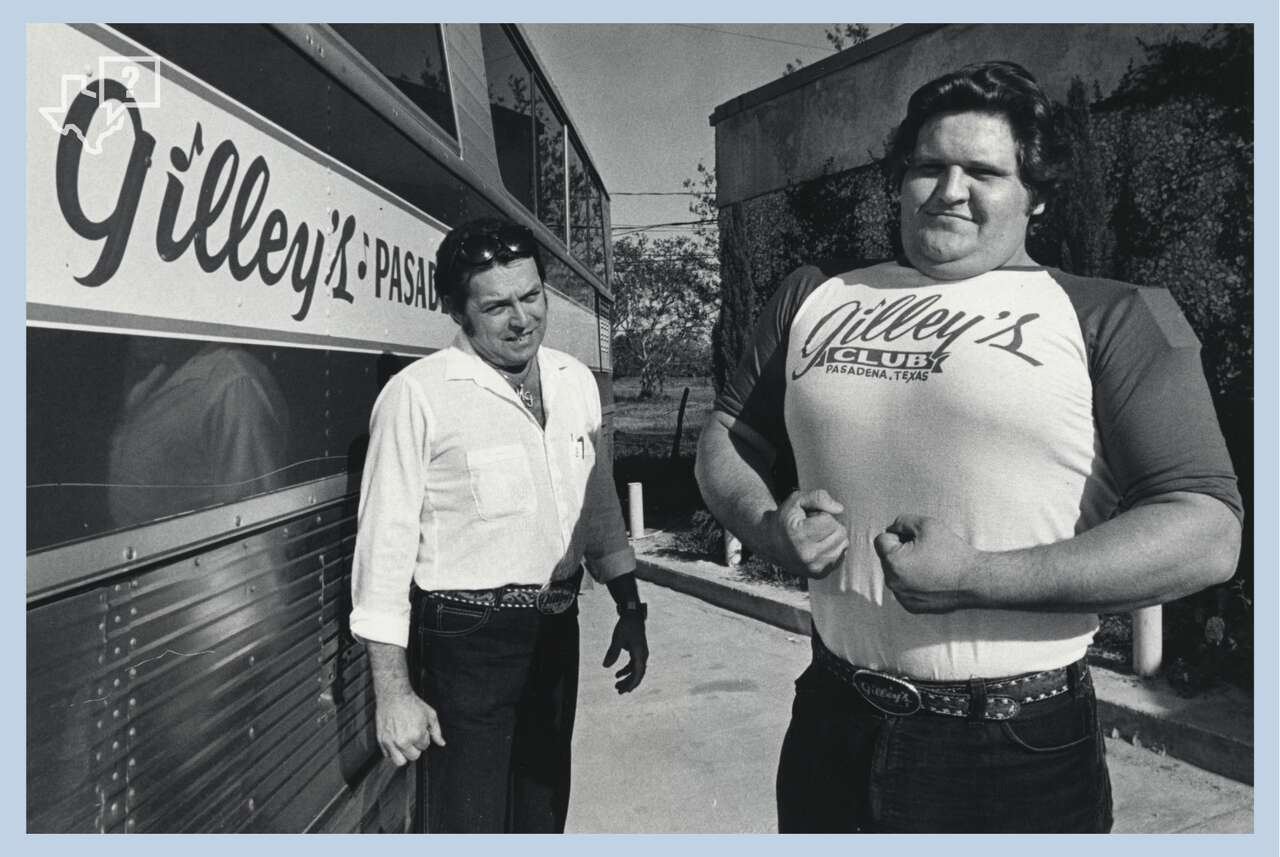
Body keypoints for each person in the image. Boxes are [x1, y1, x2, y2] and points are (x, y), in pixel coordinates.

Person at [695, 60, 1242, 834]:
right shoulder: (813, 296)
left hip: (1013, 749)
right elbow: (725, 439)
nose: (951, 190)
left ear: (1038, 193)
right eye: (928, 166)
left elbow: (1208, 532)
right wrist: (765, 523)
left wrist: (980, 577)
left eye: (983, 170)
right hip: (831, 722)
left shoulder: (1114, 317)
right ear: (897, 179)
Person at [350, 216, 649, 833]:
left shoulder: (573, 382)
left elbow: (595, 505)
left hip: (554, 630)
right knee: (470, 825)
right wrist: (394, 693)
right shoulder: (418, 396)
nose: (523, 319)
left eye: (532, 296)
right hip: (464, 642)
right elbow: (384, 548)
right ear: (457, 312)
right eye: (497, 306)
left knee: (542, 816)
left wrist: (630, 604)